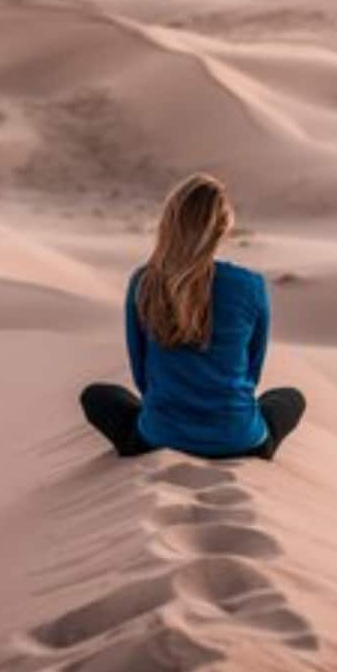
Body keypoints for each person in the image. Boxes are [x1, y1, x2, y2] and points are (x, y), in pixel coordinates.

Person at [80, 173, 306, 461]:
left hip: (159, 437)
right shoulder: (251, 285)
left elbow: (142, 376)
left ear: (169, 222)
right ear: (223, 227)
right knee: (289, 398)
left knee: (97, 396)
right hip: (240, 439)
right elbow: (252, 372)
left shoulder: (145, 282)